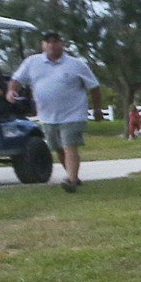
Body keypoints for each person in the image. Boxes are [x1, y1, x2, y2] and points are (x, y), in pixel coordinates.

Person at [8, 31, 101, 192]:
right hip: (47, 115)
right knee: (58, 148)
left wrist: (97, 109)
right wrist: (11, 91)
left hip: (73, 113)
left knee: (69, 145)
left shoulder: (76, 64)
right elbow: (16, 80)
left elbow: (93, 87)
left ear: (62, 44)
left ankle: (71, 180)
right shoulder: (32, 62)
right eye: (48, 42)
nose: (52, 45)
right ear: (42, 45)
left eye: (55, 41)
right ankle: (74, 176)